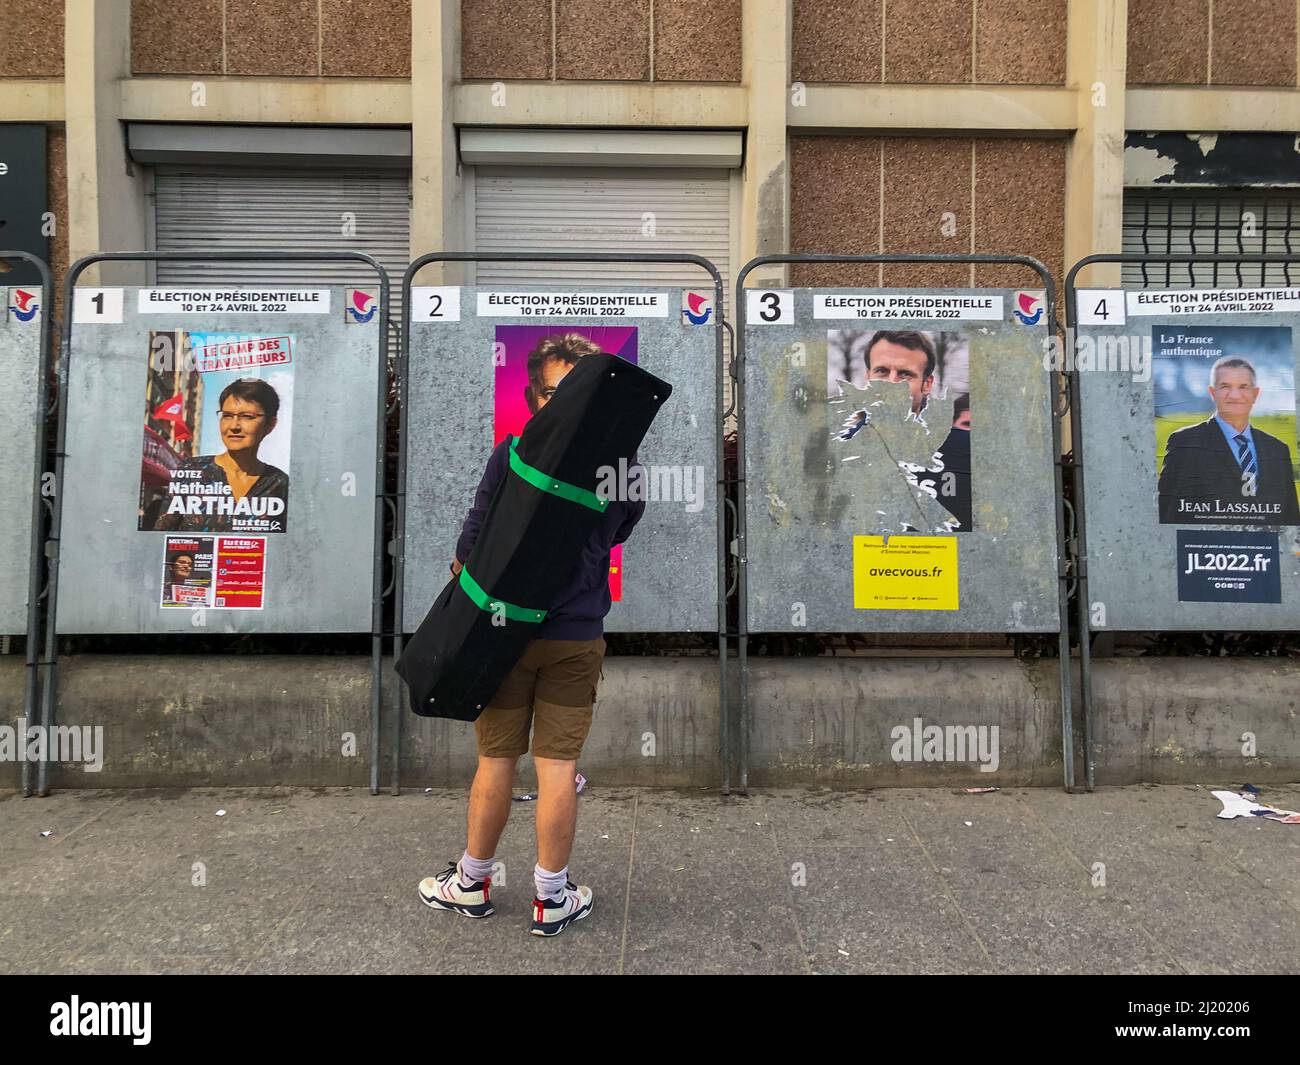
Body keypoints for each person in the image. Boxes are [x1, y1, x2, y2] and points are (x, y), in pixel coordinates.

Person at [418, 340, 646, 937]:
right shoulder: (621, 466)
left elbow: (470, 545)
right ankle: (552, 897)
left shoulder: (509, 454)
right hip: (575, 637)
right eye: (554, 392)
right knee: (557, 768)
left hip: (500, 635)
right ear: (532, 397)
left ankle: (470, 884)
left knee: (494, 761)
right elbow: (619, 532)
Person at [840, 331, 972, 530]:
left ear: (927, 384)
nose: (892, 382)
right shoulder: (838, 449)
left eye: (905, 374)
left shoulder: (963, 450)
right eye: (882, 371)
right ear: (868, 377)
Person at [1158, 356, 1300, 525]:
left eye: (1243, 387)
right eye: (1225, 386)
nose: (1235, 395)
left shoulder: (1278, 450)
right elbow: (1167, 515)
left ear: (1255, 394)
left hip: (1265, 550)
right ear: (1212, 393)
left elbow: (1291, 521)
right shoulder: (1184, 443)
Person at [151, 378, 290, 534]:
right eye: (227, 415)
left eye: (247, 417)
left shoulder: (279, 484)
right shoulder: (191, 471)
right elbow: (160, 538)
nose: (234, 426)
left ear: (270, 425)